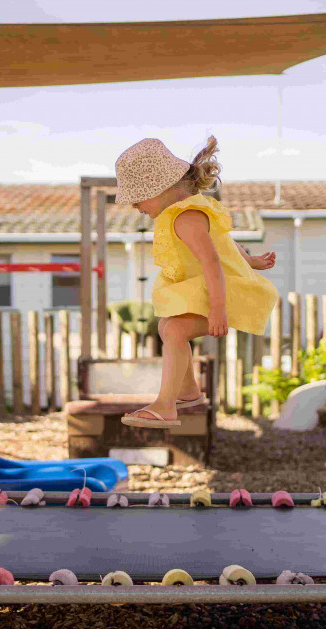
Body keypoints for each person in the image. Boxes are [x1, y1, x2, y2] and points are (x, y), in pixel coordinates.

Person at [115, 136, 278, 428]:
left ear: (161, 188)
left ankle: (166, 405)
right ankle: (188, 392)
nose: (135, 204)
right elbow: (223, 244)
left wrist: (217, 310)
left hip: (226, 295)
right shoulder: (187, 212)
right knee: (167, 326)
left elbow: (211, 261)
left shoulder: (186, 218)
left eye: (138, 196)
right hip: (219, 290)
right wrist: (250, 261)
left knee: (175, 329)